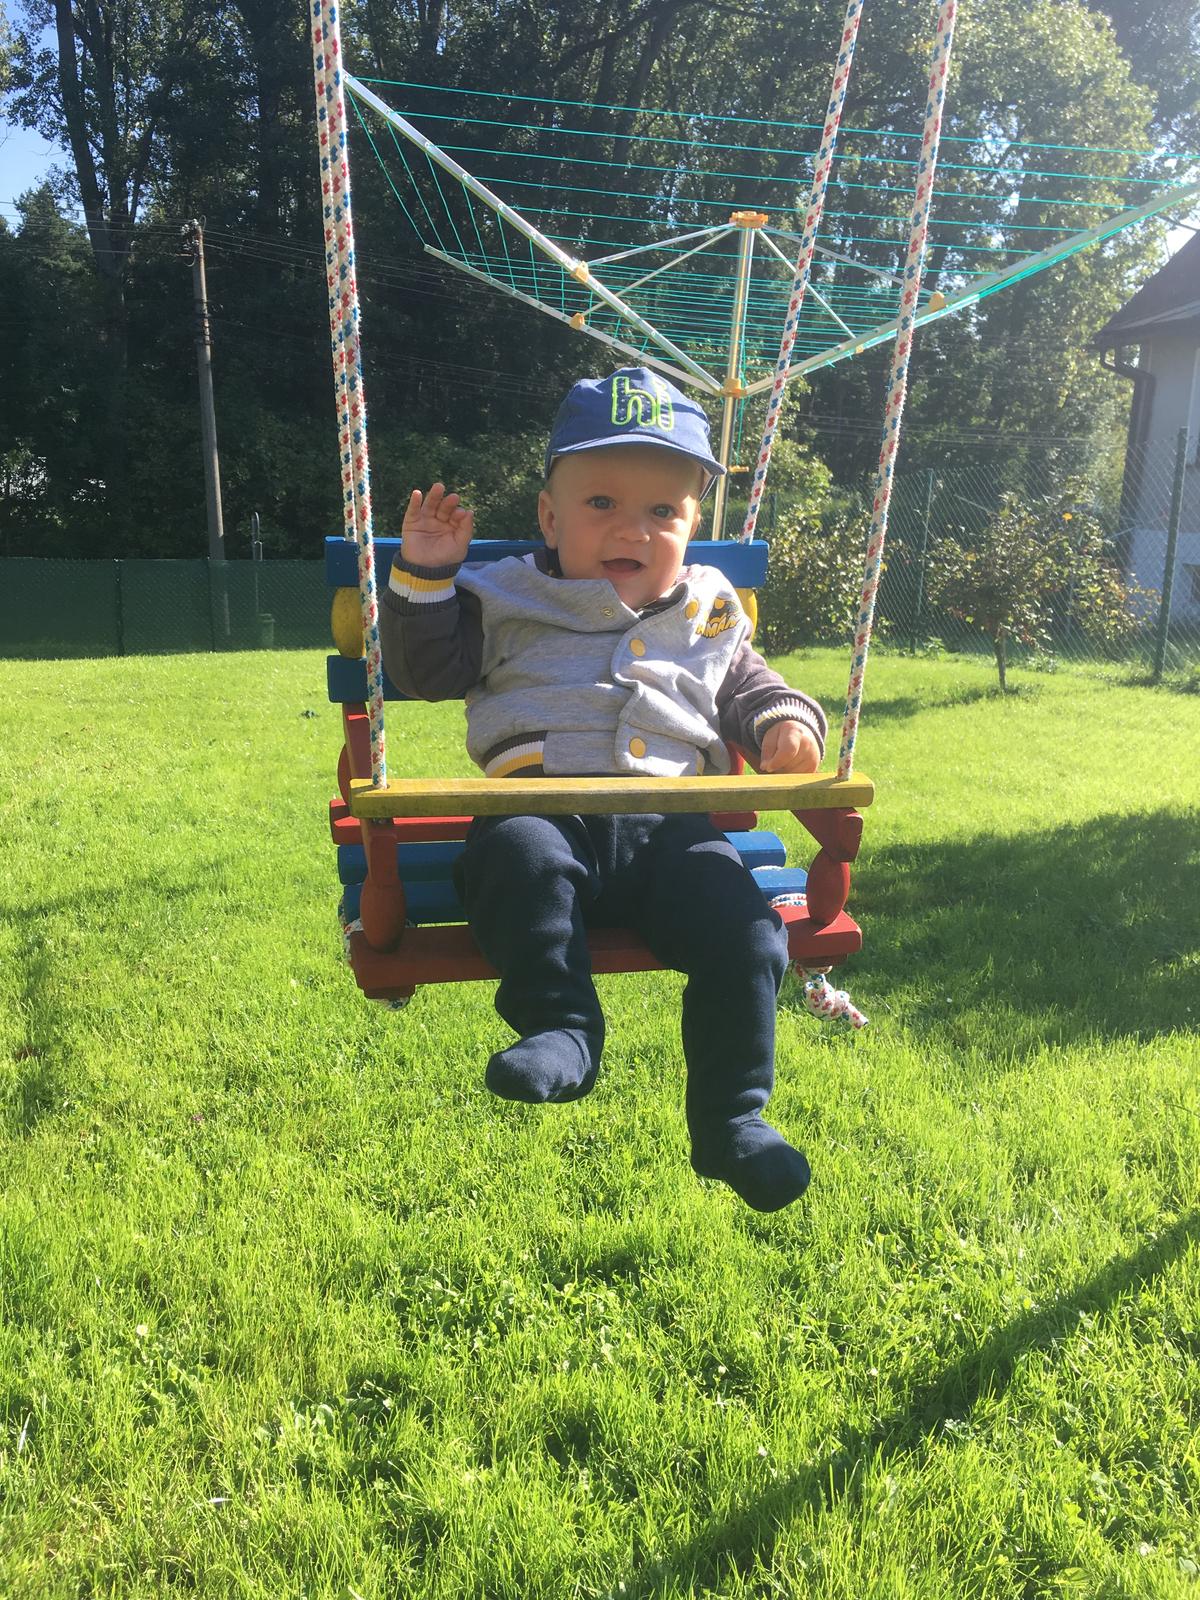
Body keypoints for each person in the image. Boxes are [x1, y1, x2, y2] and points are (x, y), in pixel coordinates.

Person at [379, 367, 827, 1212]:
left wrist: (782, 723)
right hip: (540, 812)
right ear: (550, 518)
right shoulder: (504, 592)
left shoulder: (708, 607)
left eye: (663, 510)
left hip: (672, 831)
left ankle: (734, 1118)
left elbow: (747, 683)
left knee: (748, 933)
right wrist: (427, 576)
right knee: (518, 864)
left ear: (692, 524)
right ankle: (563, 1028)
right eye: (601, 503)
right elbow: (426, 670)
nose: (633, 528)